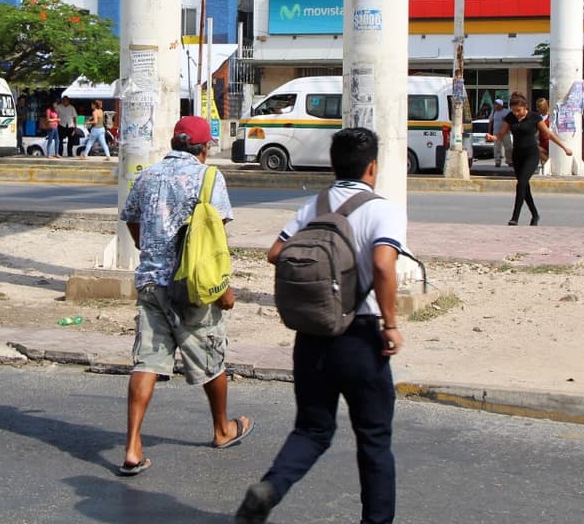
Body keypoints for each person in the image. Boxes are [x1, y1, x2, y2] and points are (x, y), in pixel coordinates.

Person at [236, 127, 401, 524]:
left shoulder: (314, 205)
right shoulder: (382, 209)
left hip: (311, 337)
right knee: (374, 439)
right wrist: (391, 324)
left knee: (311, 430)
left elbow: (276, 253)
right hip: (360, 337)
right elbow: (382, 264)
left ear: (333, 165)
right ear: (373, 167)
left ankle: (270, 489)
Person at [119, 115, 248, 477]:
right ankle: (222, 429)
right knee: (210, 356)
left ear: (175, 143)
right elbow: (216, 237)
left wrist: (147, 247)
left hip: (150, 284)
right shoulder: (209, 177)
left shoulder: (147, 175)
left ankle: (132, 446)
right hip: (193, 287)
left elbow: (131, 217)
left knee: (146, 360)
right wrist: (222, 288)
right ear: (204, 148)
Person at [486, 92, 572, 226]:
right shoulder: (510, 117)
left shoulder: (534, 117)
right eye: (514, 111)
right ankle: (535, 215)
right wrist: (493, 138)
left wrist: (564, 147)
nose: (516, 113)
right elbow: (501, 134)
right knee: (524, 187)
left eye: (518, 110)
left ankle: (515, 217)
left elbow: (548, 133)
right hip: (517, 155)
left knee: (521, 184)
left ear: (525, 107)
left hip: (531, 155)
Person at [489, 98, 512, 167]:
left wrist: (505, 119)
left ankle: (509, 160)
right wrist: (489, 132)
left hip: (506, 133)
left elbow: (510, 121)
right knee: (497, 148)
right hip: (496, 133)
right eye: (495, 104)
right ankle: (497, 161)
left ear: (501, 105)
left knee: (508, 147)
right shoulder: (493, 112)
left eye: (497, 104)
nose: (496, 106)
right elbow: (490, 122)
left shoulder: (507, 111)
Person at [535, 98, 551, 165]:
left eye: (539, 107)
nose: (537, 109)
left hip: (549, 141)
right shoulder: (539, 117)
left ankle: (550, 164)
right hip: (541, 141)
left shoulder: (550, 117)